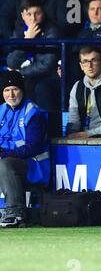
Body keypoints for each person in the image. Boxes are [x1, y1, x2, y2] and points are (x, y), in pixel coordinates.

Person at [0, 71, 49, 228]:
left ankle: (16, 212)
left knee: (5, 164)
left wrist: (4, 154)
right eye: (7, 90)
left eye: (15, 89)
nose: (11, 95)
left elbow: (32, 148)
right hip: (7, 160)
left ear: (22, 90)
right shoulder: (1, 111)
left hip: (33, 166)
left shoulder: (33, 113)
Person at [6, 0, 60, 107]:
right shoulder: (19, 31)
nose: (33, 18)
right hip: (25, 74)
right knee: (6, 83)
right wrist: (26, 41)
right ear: (22, 16)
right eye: (28, 14)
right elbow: (11, 62)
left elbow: (47, 65)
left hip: (47, 76)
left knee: (35, 86)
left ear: (43, 14)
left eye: (37, 13)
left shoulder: (51, 30)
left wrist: (20, 72)